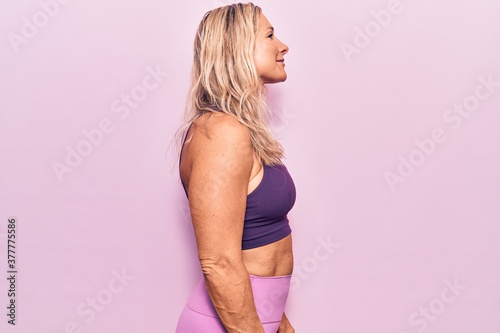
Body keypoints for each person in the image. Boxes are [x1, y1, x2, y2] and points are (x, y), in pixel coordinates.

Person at [173, 3, 296, 332]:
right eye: (270, 35)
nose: (283, 46)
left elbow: (254, 249)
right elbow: (218, 262)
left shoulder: (240, 129)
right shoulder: (222, 133)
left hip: (256, 320)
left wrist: (280, 322)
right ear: (236, 48)